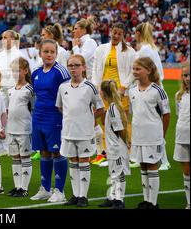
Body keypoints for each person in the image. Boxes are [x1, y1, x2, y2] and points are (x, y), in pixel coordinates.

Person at [57, 54, 105, 207]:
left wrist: (88, 120)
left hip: (85, 132)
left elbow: (100, 108)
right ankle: (75, 195)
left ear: (83, 67)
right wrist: (71, 117)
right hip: (68, 131)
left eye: (76, 65)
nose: (73, 68)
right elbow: (59, 107)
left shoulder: (89, 86)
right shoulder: (63, 87)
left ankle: (83, 196)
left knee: (83, 161)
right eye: (70, 65)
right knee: (72, 161)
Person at [30, 39, 70, 202]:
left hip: (55, 117)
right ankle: (45, 188)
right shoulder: (36, 73)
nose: (49, 55)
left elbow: (68, 95)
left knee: (57, 151)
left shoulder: (60, 72)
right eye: (46, 52)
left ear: (56, 53)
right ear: (40, 53)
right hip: (38, 117)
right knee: (43, 152)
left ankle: (60, 191)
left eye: (52, 52)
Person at [91, 22, 136, 167]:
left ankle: (128, 154)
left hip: (120, 93)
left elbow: (133, 72)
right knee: (105, 124)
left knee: (122, 124)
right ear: (111, 32)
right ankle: (109, 154)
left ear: (124, 36)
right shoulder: (101, 49)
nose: (116, 36)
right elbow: (95, 70)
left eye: (119, 34)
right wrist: (96, 87)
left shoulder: (130, 52)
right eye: (114, 32)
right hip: (104, 92)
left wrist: (124, 87)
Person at [129, 57, 170, 209]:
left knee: (152, 166)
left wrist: (162, 135)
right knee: (143, 166)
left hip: (153, 136)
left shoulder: (158, 90)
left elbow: (166, 115)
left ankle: (153, 203)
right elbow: (134, 114)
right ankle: (146, 200)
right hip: (138, 136)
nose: (135, 72)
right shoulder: (132, 90)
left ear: (149, 70)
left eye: (138, 69)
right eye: (134, 69)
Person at [135, 22, 169, 171]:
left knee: (154, 126)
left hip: (151, 90)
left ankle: (164, 160)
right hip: (157, 88)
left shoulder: (144, 50)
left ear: (138, 34)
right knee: (154, 124)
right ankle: (155, 158)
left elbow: (138, 69)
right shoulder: (151, 48)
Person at [98, 80, 131, 209]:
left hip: (117, 148)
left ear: (104, 93)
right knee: (113, 173)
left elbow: (119, 129)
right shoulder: (112, 107)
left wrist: (126, 141)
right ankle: (112, 197)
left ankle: (119, 200)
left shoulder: (112, 109)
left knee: (118, 174)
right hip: (112, 147)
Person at [6, 57, 35, 197]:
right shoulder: (10, 90)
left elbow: (34, 109)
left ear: (25, 71)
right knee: (15, 158)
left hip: (24, 129)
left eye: (18, 70)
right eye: (13, 71)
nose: (15, 73)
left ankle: (24, 188)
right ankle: (17, 186)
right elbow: (8, 110)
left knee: (25, 157)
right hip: (11, 129)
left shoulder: (30, 89)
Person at [173, 61, 190, 209]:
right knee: (186, 171)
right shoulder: (179, 95)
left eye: (190, 75)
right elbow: (179, 116)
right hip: (182, 136)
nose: (188, 78)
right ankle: (189, 202)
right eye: (185, 75)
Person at [0, 30, 22, 108]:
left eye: (5, 38)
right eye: (2, 38)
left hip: (15, 91)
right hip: (1, 92)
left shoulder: (19, 55)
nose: (2, 40)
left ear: (12, 39)